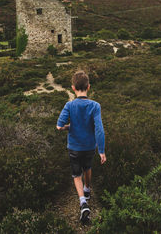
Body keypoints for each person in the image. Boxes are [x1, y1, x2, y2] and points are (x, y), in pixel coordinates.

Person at [56, 70, 106, 223]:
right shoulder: (95, 106)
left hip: (74, 147)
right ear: (88, 87)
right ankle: (88, 189)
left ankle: (83, 202)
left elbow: (59, 126)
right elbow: (99, 129)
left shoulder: (69, 105)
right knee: (88, 167)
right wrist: (102, 151)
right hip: (90, 146)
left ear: (73, 88)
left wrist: (68, 127)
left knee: (76, 174)